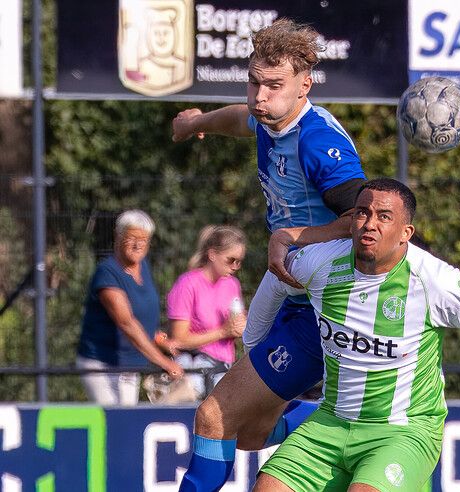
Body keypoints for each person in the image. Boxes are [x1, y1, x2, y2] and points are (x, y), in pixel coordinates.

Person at [238, 178, 460, 491]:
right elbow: (277, 277)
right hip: (331, 422)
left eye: (385, 217)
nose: (370, 224)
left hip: (403, 432)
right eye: (363, 213)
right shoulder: (322, 262)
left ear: (405, 233)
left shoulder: (435, 281)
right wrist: (253, 351)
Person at [172, 18, 366, 491]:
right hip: (288, 296)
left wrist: (293, 235)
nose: (260, 96)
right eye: (254, 82)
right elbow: (239, 119)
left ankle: (349, 429)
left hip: (325, 310)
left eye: (274, 86)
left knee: (214, 416)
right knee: (250, 433)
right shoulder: (267, 119)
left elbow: (366, 219)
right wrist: (196, 123)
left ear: (305, 85)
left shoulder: (319, 143)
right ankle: (337, 425)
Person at [76, 209, 182, 406]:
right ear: (118, 236)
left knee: (126, 419)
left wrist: (159, 339)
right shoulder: (107, 273)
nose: (138, 245)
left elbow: (142, 317)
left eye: (144, 239)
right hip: (102, 363)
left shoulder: (144, 267)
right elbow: (127, 323)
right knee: (114, 420)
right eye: (132, 237)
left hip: (130, 365)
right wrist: (164, 362)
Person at [165, 225, 247, 399]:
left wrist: (241, 327)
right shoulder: (187, 284)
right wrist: (223, 331)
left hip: (224, 368)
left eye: (239, 261)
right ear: (212, 255)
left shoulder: (232, 285)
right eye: (231, 260)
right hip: (195, 370)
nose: (235, 266)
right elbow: (179, 339)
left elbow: (236, 327)